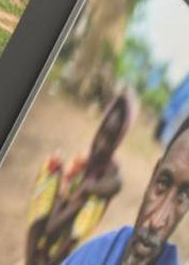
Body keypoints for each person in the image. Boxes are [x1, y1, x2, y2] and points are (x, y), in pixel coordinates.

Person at [63, 100, 189, 265]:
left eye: (182, 197)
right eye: (162, 184)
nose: (156, 221)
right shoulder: (96, 254)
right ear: (153, 176)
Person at [27, 93, 134, 265]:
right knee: (51, 166)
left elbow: (117, 184)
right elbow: (50, 225)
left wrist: (86, 189)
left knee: (94, 202)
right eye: (102, 134)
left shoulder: (110, 174)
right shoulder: (82, 163)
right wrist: (63, 187)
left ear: (117, 142)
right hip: (47, 237)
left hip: (61, 248)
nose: (101, 144)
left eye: (110, 140)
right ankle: (29, 259)